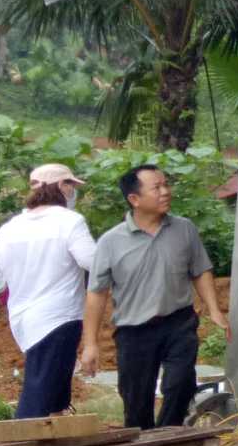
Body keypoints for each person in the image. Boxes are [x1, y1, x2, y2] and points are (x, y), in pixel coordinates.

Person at [81, 165, 229, 429]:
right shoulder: (110, 242)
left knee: (181, 384)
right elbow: (96, 294)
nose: (165, 192)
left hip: (178, 322)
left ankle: (167, 435)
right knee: (136, 399)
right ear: (134, 199)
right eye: (156, 188)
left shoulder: (184, 230)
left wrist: (215, 310)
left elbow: (200, 271)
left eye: (166, 185)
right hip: (134, 330)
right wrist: (90, 344)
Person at [0, 163, 96, 418]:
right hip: (60, 316)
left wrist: (14, 286)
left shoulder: (12, 228)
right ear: (62, 187)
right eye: (71, 185)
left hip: (25, 320)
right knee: (39, 394)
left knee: (55, 390)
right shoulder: (70, 222)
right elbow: (92, 262)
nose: (73, 191)